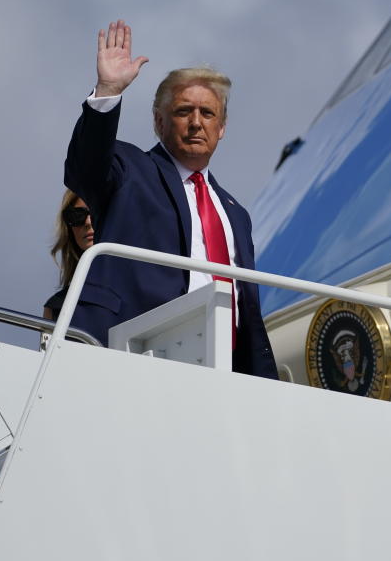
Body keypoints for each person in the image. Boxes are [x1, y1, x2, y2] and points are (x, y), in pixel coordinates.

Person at [64, 19, 277, 379]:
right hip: (135, 351)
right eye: (183, 112)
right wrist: (107, 90)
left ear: (221, 128)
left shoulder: (235, 213)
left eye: (207, 113)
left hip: (223, 368)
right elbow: (85, 169)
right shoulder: (130, 169)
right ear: (159, 122)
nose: (196, 123)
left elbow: (246, 307)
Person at [43, 190, 94, 320]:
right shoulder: (55, 307)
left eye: (95, 212)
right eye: (77, 216)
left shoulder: (139, 279)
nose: (88, 222)